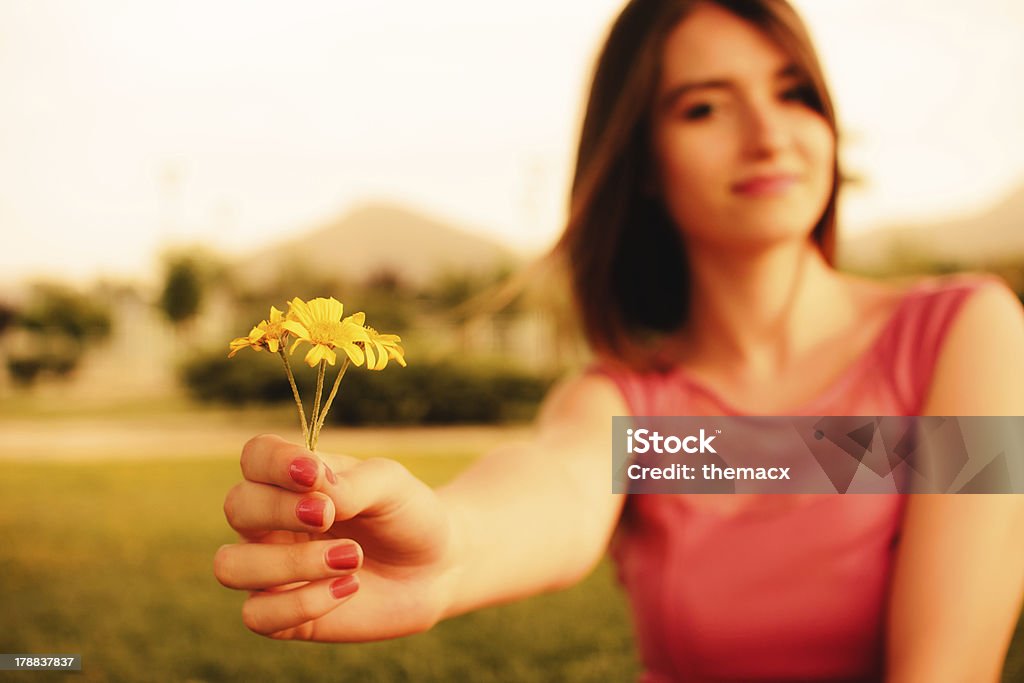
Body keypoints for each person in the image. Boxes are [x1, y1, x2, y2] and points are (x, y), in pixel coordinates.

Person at [213, 1, 1024, 680]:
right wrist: (449, 547)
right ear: (641, 157)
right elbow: (556, 488)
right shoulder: (634, 408)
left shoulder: (966, 333)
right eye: (704, 106)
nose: (769, 134)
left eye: (794, 93)